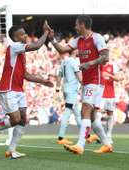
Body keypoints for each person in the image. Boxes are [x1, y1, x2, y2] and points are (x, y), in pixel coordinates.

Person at [0, 21, 54, 159]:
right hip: (8, 89)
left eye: (25, 33)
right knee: (16, 119)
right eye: (22, 34)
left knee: (23, 120)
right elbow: (36, 46)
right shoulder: (15, 46)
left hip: (18, 90)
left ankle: (11, 150)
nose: (26, 36)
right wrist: (46, 32)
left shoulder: (21, 53)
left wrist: (43, 81)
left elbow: (25, 75)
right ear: (15, 38)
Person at [48, 15, 112, 154]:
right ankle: (107, 144)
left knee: (85, 111)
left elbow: (106, 58)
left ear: (82, 25)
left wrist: (91, 63)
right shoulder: (78, 40)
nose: (75, 27)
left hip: (96, 80)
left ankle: (80, 145)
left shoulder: (97, 38)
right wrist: (51, 38)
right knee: (93, 116)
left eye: (77, 24)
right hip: (87, 81)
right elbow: (62, 50)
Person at [56, 50, 82, 145]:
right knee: (67, 111)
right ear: (74, 51)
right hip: (72, 90)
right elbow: (79, 76)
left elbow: (59, 76)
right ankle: (61, 137)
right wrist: (85, 85)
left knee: (77, 113)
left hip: (66, 90)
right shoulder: (74, 62)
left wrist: (57, 89)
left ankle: (85, 135)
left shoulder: (64, 61)